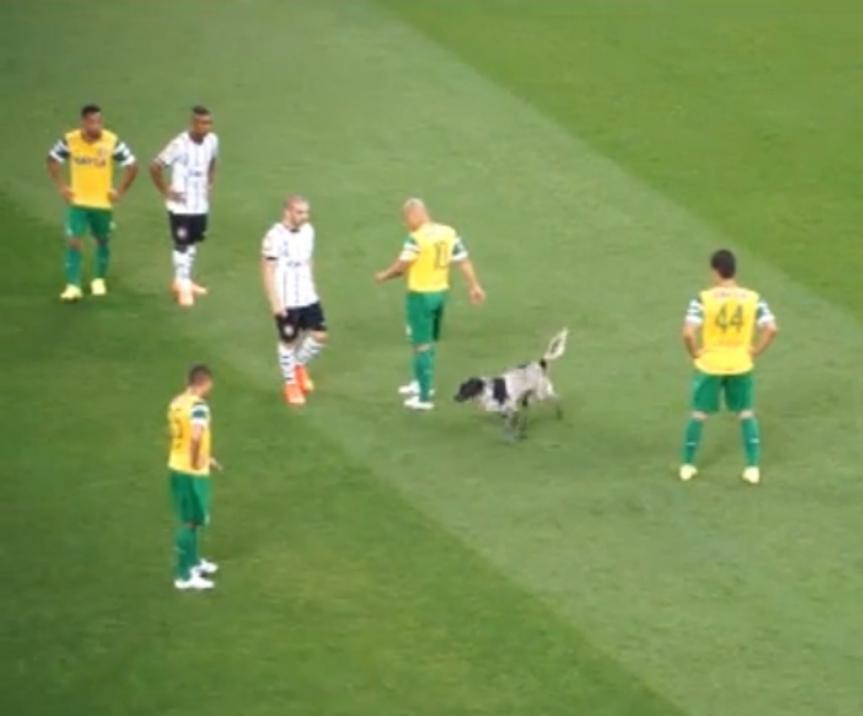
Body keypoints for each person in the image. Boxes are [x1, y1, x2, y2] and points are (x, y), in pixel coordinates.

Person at [375, 198, 485, 410]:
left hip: (420, 296)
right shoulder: (448, 232)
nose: (406, 224)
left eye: (406, 219)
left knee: (421, 344)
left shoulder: (416, 239)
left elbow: (401, 267)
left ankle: (424, 397)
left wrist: (383, 275)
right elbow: (463, 260)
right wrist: (474, 286)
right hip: (440, 293)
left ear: (414, 215)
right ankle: (419, 383)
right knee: (427, 341)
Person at [679, 249, 779, 485]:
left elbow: (687, 333)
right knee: (746, 414)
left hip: (710, 364)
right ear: (734, 270)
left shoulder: (703, 298)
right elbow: (772, 328)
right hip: (740, 364)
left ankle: (688, 465)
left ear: (715, 271)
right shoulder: (753, 298)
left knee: (698, 415)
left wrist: (695, 353)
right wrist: (755, 351)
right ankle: (752, 468)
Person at [47, 104, 138, 301]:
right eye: (92, 122)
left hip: (102, 203)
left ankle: (98, 279)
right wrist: (62, 187)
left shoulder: (111, 141)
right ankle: (73, 286)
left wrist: (119, 191)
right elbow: (52, 159)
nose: (97, 126)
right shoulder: (70, 140)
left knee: (102, 240)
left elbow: (132, 165)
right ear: (84, 122)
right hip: (78, 201)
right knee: (74, 241)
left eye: (99, 121)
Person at [260, 195, 328, 406]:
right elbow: (267, 269)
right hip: (287, 299)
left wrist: (313, 285)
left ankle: (298, 365)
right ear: (287, 212)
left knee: (320, 336)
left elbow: (309, 259)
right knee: (288, 341)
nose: (305, 216)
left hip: (307, 295)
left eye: (306, 212)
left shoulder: (309, 231)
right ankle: (290, 384)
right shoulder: (274, 237)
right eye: (300, 212)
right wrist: (275, 302)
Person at [149, 106, 219, 307]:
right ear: (193, 123)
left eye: (209, 122)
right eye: (202, 123)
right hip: (180, 206)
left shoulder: (213, 140)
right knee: (181, 243)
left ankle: (183, 281)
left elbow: (213, 161)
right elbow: (155, 166)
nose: (207, 127)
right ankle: (183, 286)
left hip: (200, 205)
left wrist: (210, 183)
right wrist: (165, 190)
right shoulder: (179, 144)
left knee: (193, 241)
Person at [167, 364, 221, 591]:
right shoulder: (200, 407)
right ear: (205, 383)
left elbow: (179, 434)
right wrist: (196, 459)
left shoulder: (177, 403)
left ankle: (194, 562)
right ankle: (184, 575)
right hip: (190, 471)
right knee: (189, 522)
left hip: (176, 465)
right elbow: (196, 435)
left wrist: (207, 458)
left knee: (195, 519)